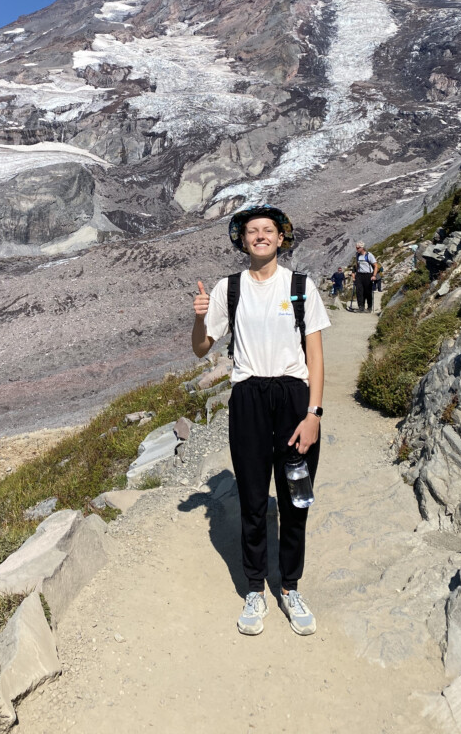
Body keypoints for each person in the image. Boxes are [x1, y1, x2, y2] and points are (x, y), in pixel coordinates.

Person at [192, 204, 330, 637]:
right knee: (253, 499)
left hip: (293, 399)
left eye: (267, 230)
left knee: (295, 498)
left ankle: (289, 586)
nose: (260, 236)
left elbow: (316, 356)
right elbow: (201, 348)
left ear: (281, 237)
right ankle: (255, 588)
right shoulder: (227, 289)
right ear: (242, 239)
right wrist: (199, 317)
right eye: (252, 231)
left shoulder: (301, 286)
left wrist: (314, 414)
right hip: (248, 398)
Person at [351, 242, 378, 312]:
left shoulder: (369, 255)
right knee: (359, 291)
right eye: (356, 248)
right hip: (359, 275)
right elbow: (357, 264)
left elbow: (376, 266)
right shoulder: (357, 255)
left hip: (368, 275)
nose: (357, 249)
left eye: (358, 248)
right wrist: (355, 274)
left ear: (362, 248)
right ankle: (361, 307)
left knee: (367, 292)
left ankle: (369, 307)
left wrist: (374, 275)